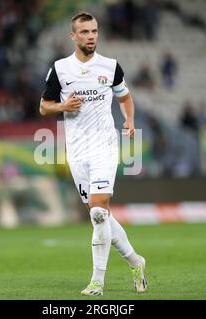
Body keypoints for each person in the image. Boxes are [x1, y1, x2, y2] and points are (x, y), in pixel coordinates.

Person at [39, 12, 147, 296]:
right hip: (76, 152)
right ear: (73, 36)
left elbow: (124, 96)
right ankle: (136, 261)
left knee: (99, 212)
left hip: (104, 148)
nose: (91, 37)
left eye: (94, 31)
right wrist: (64, 107)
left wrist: (129, 120)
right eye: (85, 32)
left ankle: (97, 281)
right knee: (101, 216)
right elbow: (44, 107)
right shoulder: (60, 69)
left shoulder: (111, 67)